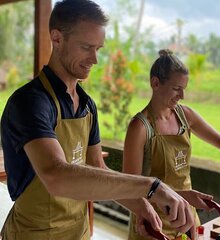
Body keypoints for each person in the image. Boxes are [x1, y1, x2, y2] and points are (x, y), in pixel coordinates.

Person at [0, 2, 195, 240]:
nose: (95, 59)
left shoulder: (87, 105)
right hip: (34, 234)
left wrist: (140, 206)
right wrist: (151, 186)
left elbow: (96, 168)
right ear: (57, 38)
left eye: (98, 49)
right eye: (86, 47)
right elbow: (56, 175)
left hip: (78, 231)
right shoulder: (31, 102)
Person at [122, 49, 220, 239]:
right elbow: (130, 189)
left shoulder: (185, 115)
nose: (182, 95)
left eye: (184, 88)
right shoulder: (140, 128)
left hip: (187, 219)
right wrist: (183, 196)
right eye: (177, 88)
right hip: (153, 225)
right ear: (155, 83)